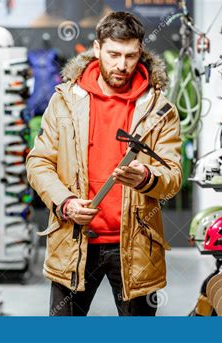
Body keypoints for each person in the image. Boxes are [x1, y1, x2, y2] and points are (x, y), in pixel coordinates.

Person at [26, 11, 182, 316]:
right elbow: (39, 162)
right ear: (97, 48)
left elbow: (173, 176)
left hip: (135, 246)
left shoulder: (160, 110)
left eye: (130, 55)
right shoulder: (65, 101)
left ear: (141, 53)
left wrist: (147, 178)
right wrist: (66, 202)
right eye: (113, 54)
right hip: (74, 240)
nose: (122, 65)